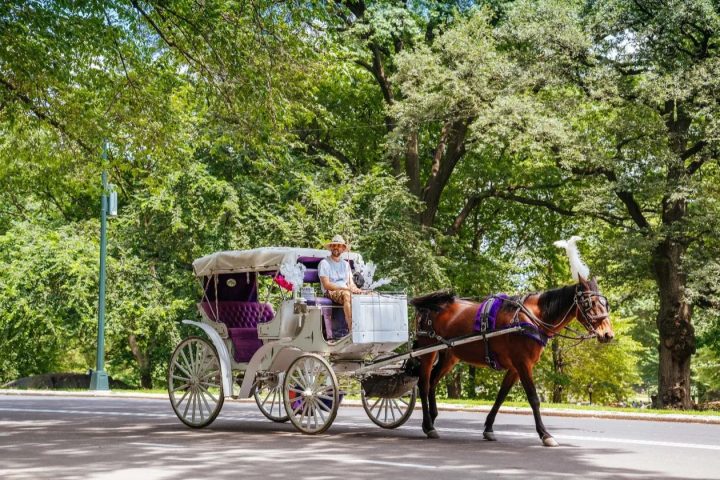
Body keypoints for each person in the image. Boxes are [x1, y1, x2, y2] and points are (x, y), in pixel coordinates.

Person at [318, 235, 363, 332]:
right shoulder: (324, 263)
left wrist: (355, 289)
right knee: (347, 295)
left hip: (345, 290)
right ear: (330, 247)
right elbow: (327, 285)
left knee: (368, 295)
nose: (336, 248)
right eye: (334, 245)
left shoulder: (346, 265)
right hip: (331, 291)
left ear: (343, 249)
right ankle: (352, 329)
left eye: (339, 246)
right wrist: (347, 289)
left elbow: (351, 283)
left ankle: (365, 327)